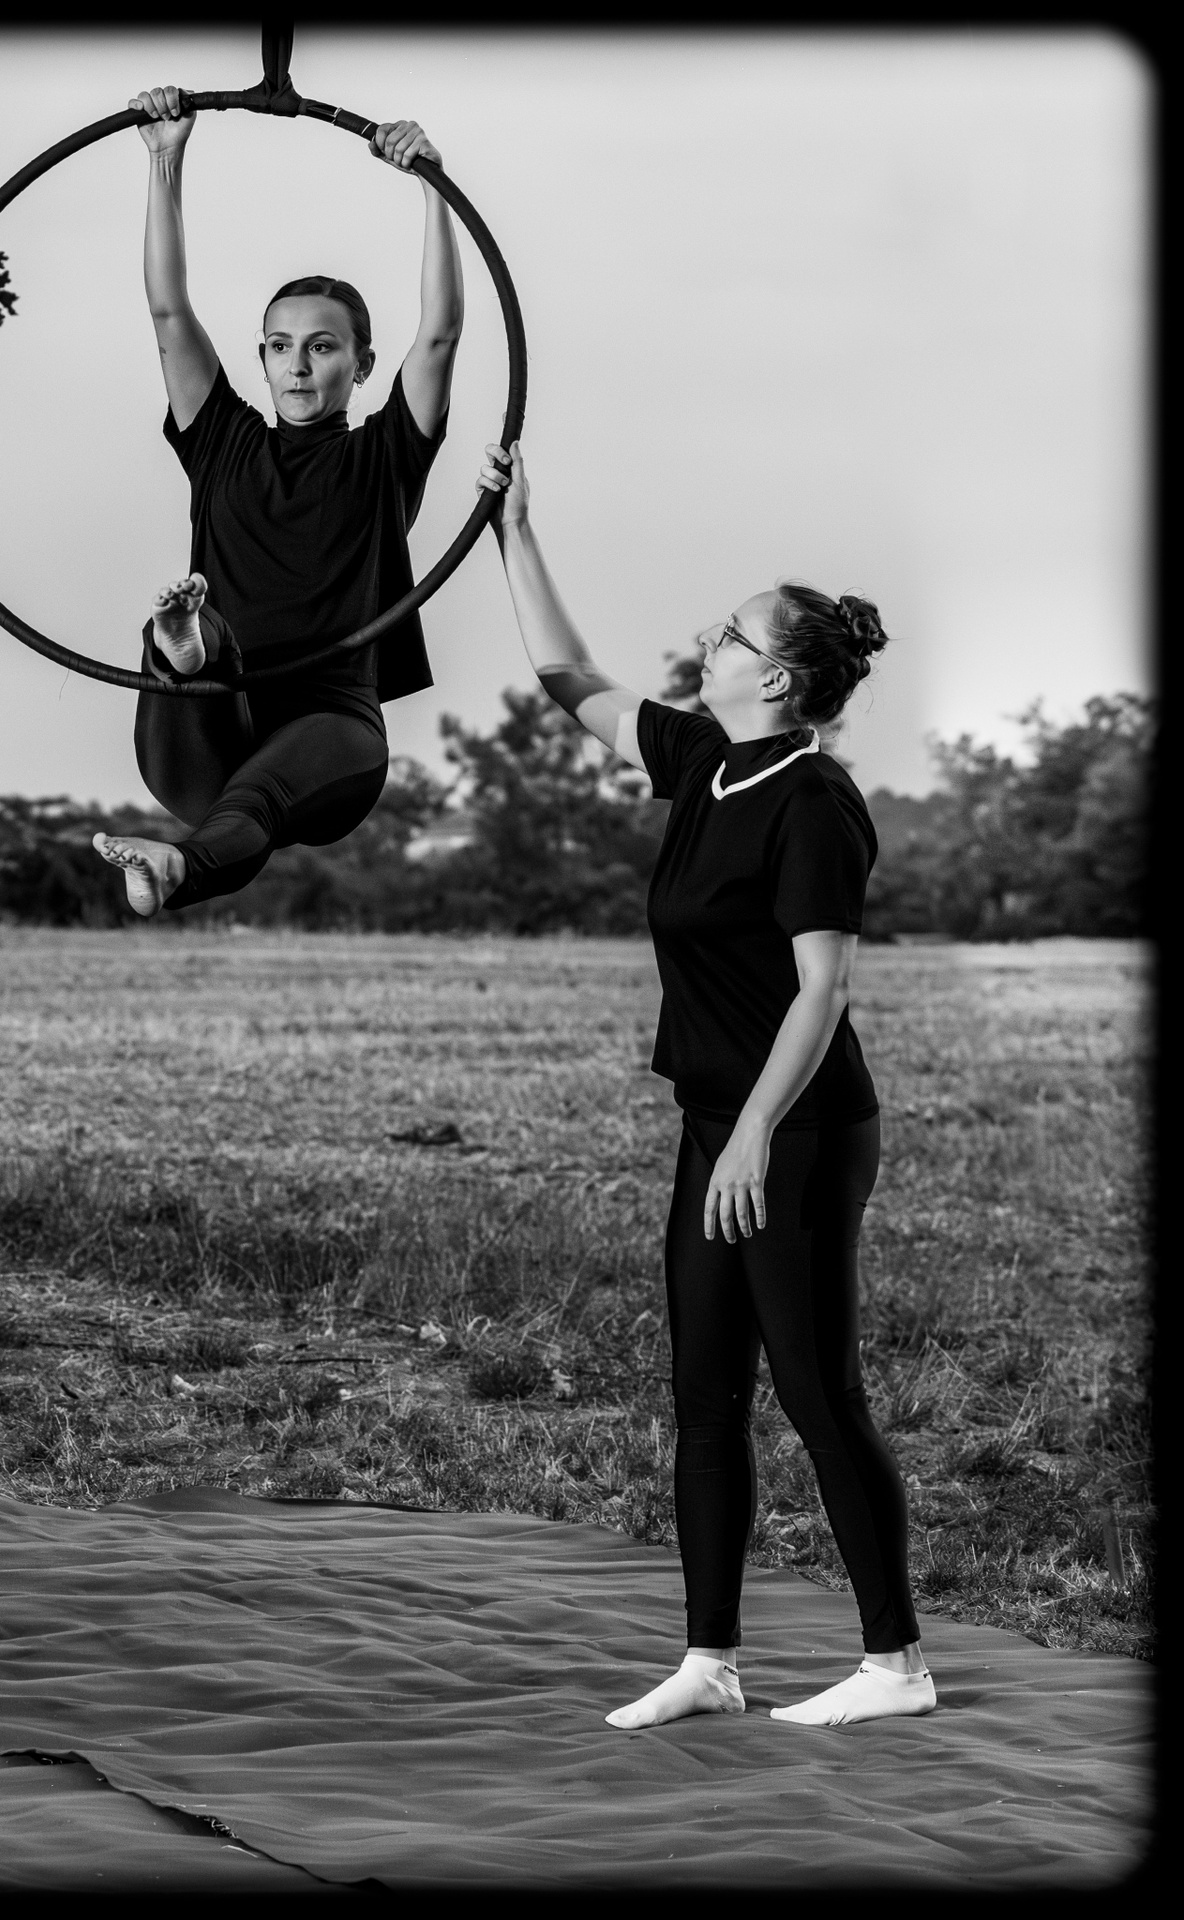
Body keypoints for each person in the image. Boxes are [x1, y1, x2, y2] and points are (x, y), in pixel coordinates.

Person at [479, 441, 934, 1730]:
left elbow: (821, 991)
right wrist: (516, 532)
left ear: (776, 678)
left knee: (817, 1390)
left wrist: (755, 1138)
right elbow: (569, 678)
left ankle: (897, 1666)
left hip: (800, 1129)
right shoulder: (702, 760)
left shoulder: (815, 801)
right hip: (715, 1121)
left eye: (732, 634)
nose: (708, 642)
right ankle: (710, 1661)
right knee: (704, 1394)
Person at [90, 84, 464, 915]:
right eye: (280, 346)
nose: (297, 365)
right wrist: (165, 159)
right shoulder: (222, 440)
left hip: (330, 735)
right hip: (209, 726)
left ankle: (177, 862)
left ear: (362, 366)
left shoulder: (384, 457)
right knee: (201, 638)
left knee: (255, 798)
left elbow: (439, 335)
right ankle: (185, 648)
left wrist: (433, 186)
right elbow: (168, 310)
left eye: (322, 347)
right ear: (259, 358)